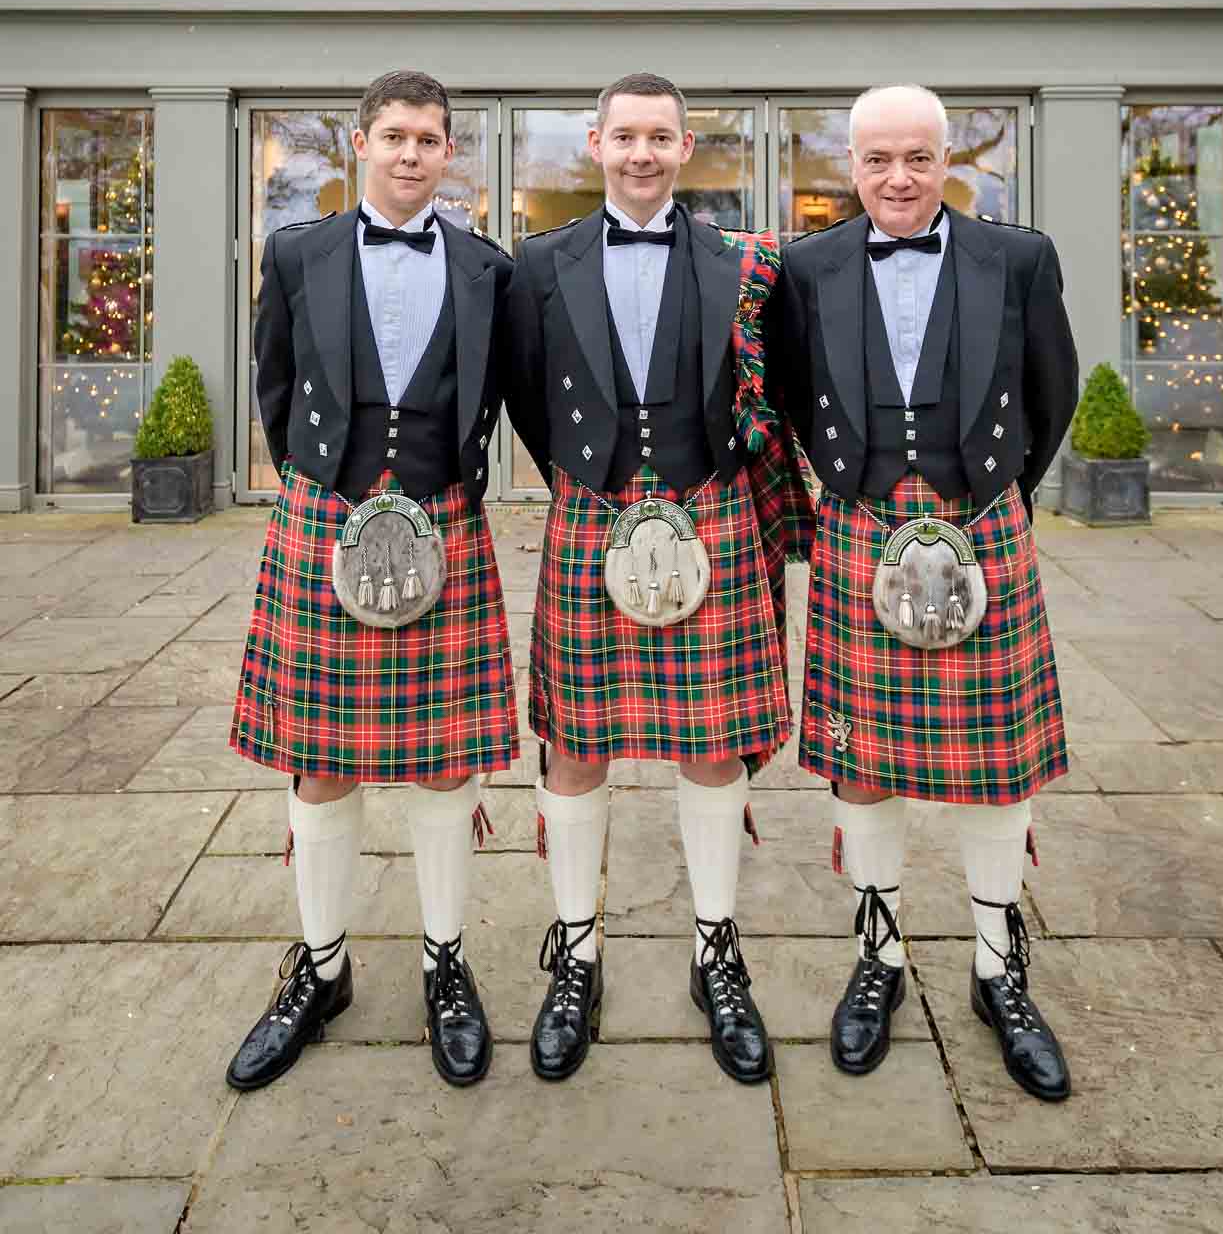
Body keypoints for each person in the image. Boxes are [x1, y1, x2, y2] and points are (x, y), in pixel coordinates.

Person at [776, 83, 1077, 1103]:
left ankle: (999, 969)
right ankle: (880, 954)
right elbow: (784, 389)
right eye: (875, 161)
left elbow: (1054, 389)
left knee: (996, 765)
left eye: (916, 158)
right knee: (863, 762)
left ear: (946, 158)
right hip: (862, 525)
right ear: (849, 167)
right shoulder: (807, 268)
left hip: (981, 520)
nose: (897, 178)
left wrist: (997, 502)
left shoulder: (1019, 257)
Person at [225, 69, 517, 1091]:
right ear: (359, 144)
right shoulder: (297, 251)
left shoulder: (487, 267)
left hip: (444, 516)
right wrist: (324, 484)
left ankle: (445, 961)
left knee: (444, 763)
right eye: (391, 135)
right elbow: (274, 383)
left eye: (427, 139)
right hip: (327, 515)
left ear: (448, 154)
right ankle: (322, 966)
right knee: (319, 760)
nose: (408, 153)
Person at [503, 72, 795, 1086]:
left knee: (714, 750)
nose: (639, 153)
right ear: (595, 143)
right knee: (574, 749)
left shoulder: (744, 260)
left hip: (707, 508)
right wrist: (591, 486)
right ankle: (576, 956)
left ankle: (716, 955)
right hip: (595, 514)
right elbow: (531, 400)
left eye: (658, 137)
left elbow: (780, 385)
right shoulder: (538, 264)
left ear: (686, 148)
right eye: (622, 135)